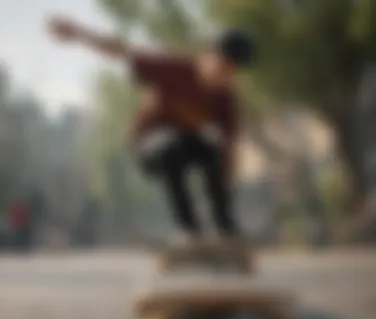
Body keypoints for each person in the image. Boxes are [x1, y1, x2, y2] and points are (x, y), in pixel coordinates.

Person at [48, 17, 255, 243]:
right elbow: (122, 51)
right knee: (174, 146)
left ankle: (225, 226)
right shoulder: (176, 69)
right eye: (221, 67)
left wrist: (224, 190)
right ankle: (189, 228)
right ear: (207, 55)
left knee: (215, 152)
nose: (222, 76)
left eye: (230, 73)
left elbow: (231, 147)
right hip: (149, 147)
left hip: (185, 144)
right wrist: (78, 33)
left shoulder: (225, 98)